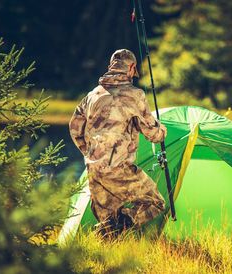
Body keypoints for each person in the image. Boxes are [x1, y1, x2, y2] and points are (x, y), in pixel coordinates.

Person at [69, 49, 167, 237]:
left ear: (111, 67)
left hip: (94, 169)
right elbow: (152, 133)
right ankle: (125, 224)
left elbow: (75, 127)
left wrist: (90, 153)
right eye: (133, 70)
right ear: (131, 68)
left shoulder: (93, 95)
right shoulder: (134, 95)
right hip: (118, 168)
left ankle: (105, 251)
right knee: (155, 202)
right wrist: (162, 131)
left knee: (107, 222)